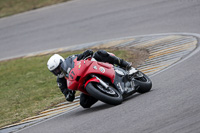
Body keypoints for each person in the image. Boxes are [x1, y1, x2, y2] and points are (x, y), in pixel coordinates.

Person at [47, 50, 136, 108]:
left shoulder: (70, 59)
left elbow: (79, 57)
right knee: (84, 103)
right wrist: (69, 94)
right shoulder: (60, 81)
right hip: (84, 84)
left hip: (91, 68)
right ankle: (103, 93)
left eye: (58, 68)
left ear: (62, 62)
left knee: (99, 54)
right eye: (54, 71)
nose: (57, 72)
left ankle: (125, 64)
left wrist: (86, 54)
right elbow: (67, 95)